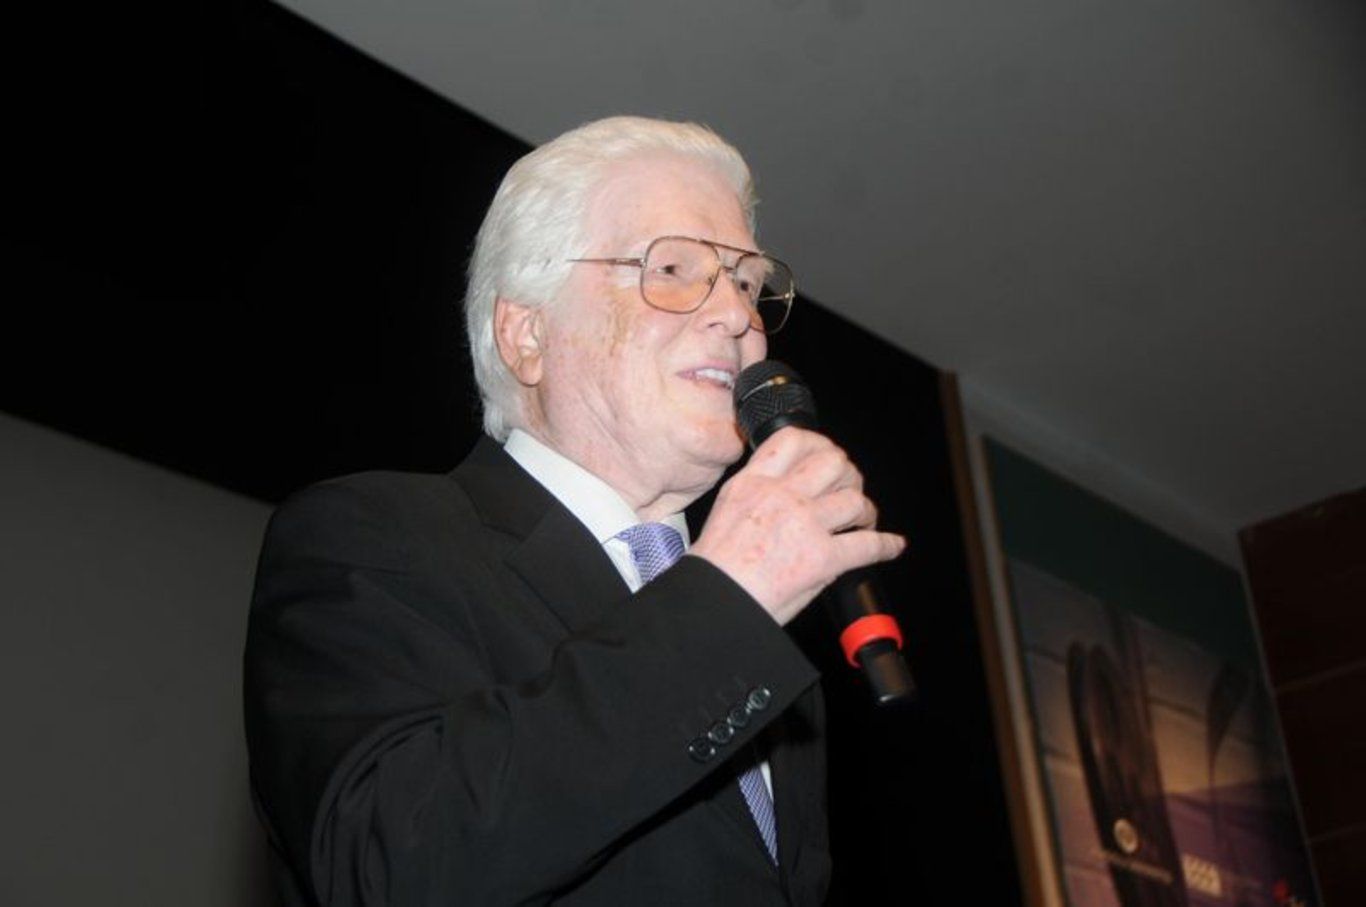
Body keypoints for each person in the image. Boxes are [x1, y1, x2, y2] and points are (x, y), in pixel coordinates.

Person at [244, 115, 905, 906]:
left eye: (745, 281)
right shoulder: (372, 537)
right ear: (526, 334)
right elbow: (388, 860)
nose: (736, 314)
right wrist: (725, 601)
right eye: (674, 267)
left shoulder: (769, 651)